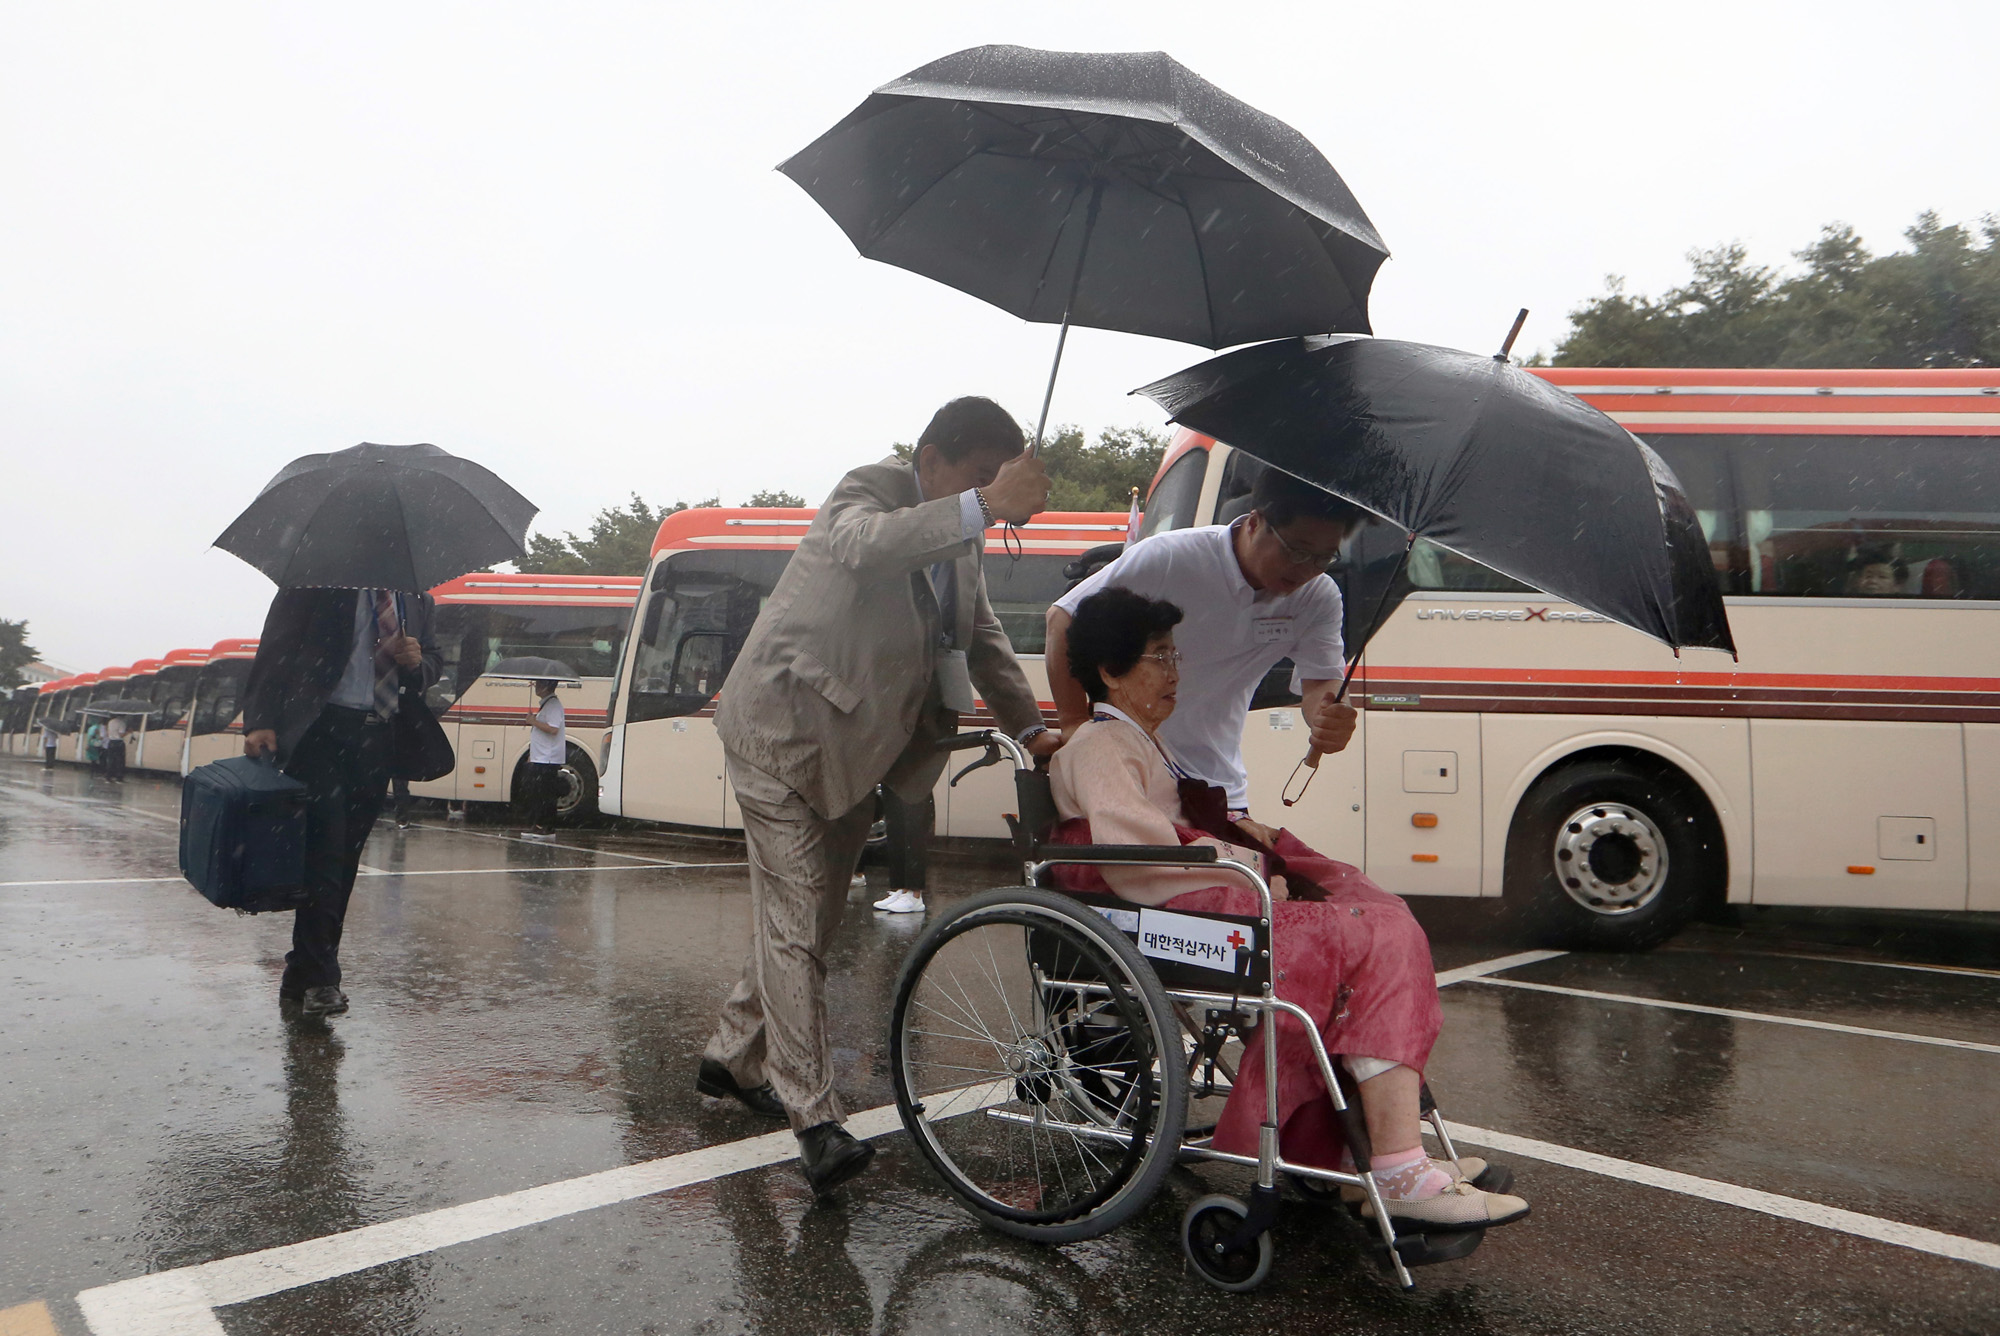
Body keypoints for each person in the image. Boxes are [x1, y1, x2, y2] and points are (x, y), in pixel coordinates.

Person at [1049, 589, 1529, 1230]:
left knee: (1380, 925)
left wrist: (1249, 849)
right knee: (1378, 933)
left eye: (1174, 655)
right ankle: (1395, 1164)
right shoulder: (1100, 745)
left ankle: (1377, 1155)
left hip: (1195, 903)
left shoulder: (1131, 741)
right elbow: (1136, 852)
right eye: (1158, 657)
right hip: (1177, 912)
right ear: (1111, 671)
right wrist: (1249, 865)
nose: (1174, 672)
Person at [698, 395, 1057, 1196]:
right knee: (798, 919)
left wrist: (1034, 731)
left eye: (997, 480)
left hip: (856, 752)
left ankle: (730, 1054)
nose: (989, 492)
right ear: (931, 460)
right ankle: (815, 1122)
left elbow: (983, 641)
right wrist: (984, 505)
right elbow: (865, 548)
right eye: (977, 475)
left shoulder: (962, 540)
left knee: (813, 916)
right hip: (780, 732)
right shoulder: (870, 490)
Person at [1048, 467, 1364, 843]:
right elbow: (1062, 619)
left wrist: (1329, 717)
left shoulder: (1318, 597)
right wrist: (1073, 723)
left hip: (1217, 788)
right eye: (1296, 551)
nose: (1306, 570)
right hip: (1130, 774)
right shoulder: (1169, 558)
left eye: (1323, 559)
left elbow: (1321, 681)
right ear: (1255, 523)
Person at [242, 586, 440, 1017]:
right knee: (326, 850)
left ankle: (302, 971)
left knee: (345, 857)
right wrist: (260, 719)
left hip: (378, 736)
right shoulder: (318, 584)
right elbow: (276, 646)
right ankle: (321, 978)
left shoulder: (417, 599)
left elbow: (433, 663)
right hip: (321, 733)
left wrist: (416, 662)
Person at [871, 787, 931, 915]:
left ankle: (914, 893)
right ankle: (902, 888)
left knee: (914, 823)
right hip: (893, 774)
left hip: (915, 778)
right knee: (895, 823)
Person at [520, 678, 564, 840]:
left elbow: (553, 729)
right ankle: (538, 824)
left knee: (546, 795)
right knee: (538, 793)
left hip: (548, 758)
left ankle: (546, 827)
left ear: (547, 686)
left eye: (539, 684)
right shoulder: (547, 704)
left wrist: (534, 721)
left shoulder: (553, 705)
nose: (536, 687)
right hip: (541, 757)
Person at [104, 714, 128, 782]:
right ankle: (119, 778)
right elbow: (121, 735)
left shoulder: (110, 722)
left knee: (110, 760)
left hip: (111, 742)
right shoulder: (122, 723)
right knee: (120, 761)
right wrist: (128, 732)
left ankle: (108, 777)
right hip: (119, 743)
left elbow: (108, 732)